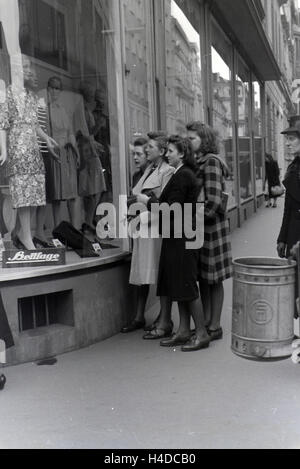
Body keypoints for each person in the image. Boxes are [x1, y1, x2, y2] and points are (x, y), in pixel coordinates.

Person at [138, 135, 210, 351]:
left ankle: (201, 333)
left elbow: (170, 209)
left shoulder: (183, 175)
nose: (166, 154)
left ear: (182, 153)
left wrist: (147, 201)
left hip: (182, 237)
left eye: (170, 151)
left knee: (186, 285)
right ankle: (184, 331)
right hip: (178, 236)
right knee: (179, 284)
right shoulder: (182, 174)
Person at [0, 56, 58, 250]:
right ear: (16, 70)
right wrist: (4, 150)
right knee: (24, 194)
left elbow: (35, 124)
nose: (30, 70)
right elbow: (3, 124)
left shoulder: (32, 97)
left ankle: (19, 232)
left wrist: (46, 139)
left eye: (29, 65)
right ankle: (26, 235)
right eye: (25, 66)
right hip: (18, 149)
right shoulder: (7, 94)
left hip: (33, 150)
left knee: (33, 194)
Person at [121, 133, 174, 335]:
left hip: (156, 228)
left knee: (160, 274)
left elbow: (164, 204)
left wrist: (142, 215)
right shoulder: (148, 170)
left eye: (149, 148)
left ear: (160, 151)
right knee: (142, 273)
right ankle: (139, 316)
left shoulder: (167, 172)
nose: (146, 151)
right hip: (142, 229)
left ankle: (163, 317)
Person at [187, 121, 233, 341]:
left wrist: (193, 218)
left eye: (193, 138)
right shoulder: (198, 162)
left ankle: (215, 325)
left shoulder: (211, 162)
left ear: (204, 140)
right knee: (204, 278)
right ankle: (207, 321)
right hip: (203, 227)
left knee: (214, 279)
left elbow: (213, 202)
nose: (189, 141)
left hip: (211, 228)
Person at [45, 76, 81, 229]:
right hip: (55, 152)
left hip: (68, 153)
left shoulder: (63, 109)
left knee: (72, 194)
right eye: (52, 87)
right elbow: (46, 132)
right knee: (57, 195)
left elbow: (70, 131)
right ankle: (58, 230)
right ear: (48, 89)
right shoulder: (46, 109)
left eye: (57, 88)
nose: (55, 90)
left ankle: (74, 229)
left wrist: (76, 152)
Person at [277, 116, 300, 259]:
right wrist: (282, 238)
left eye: (291, 139)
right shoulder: (293, 168)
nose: (287, 143)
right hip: (294, 234)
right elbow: (288, 209)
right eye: (287, 139)